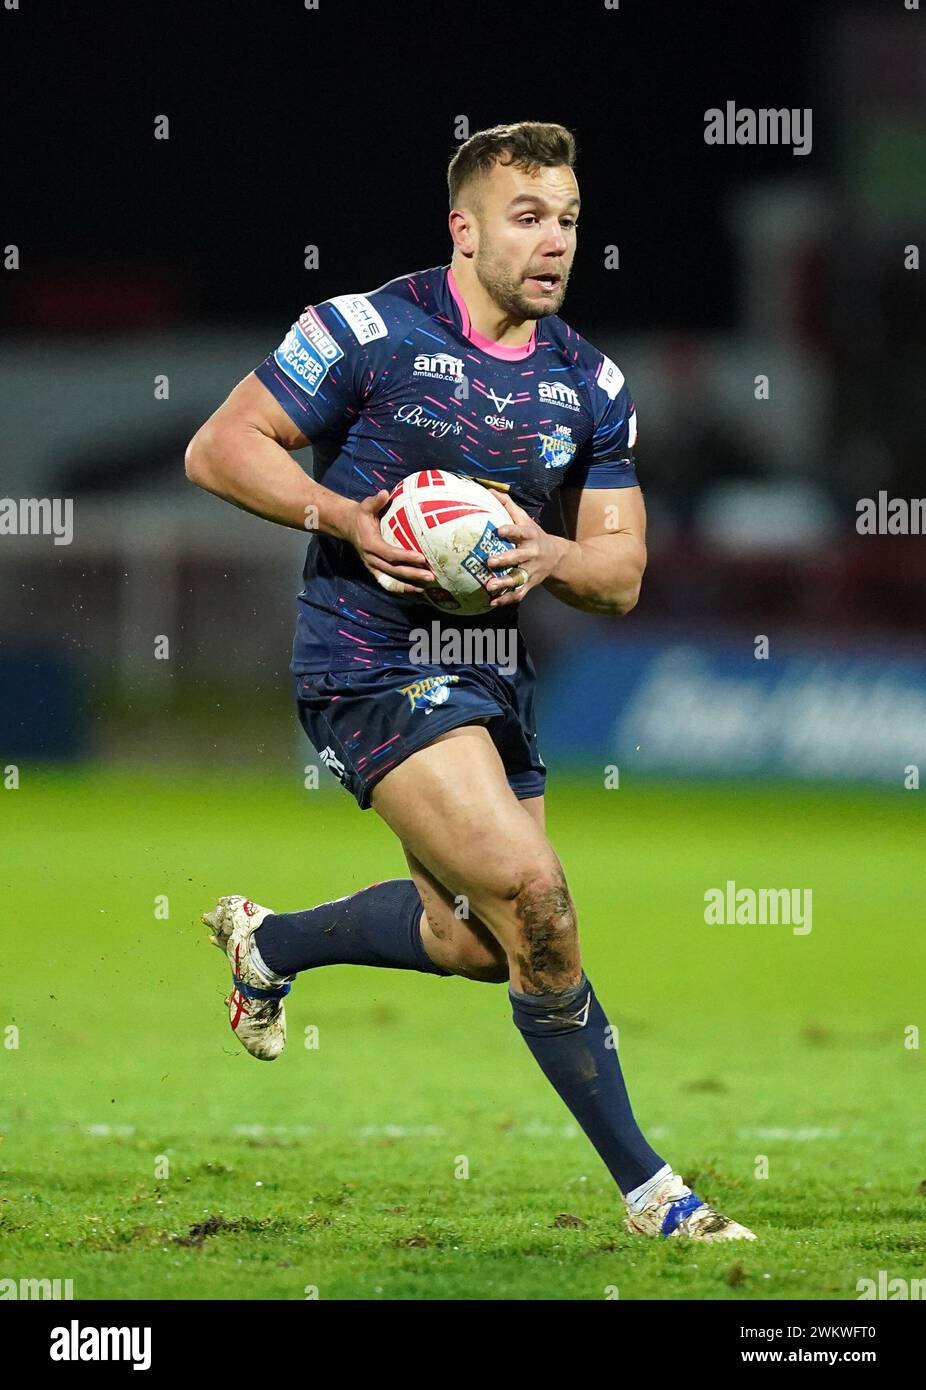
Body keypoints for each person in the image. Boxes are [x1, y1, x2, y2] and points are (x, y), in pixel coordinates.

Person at [185, 120, 755, 1242]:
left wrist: (547, 555)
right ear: (464, 228)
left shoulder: (588, 383)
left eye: (570, 222)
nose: (554, 244)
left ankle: (270, 943)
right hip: (366, 659)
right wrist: (349, 515)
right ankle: (653, 1193)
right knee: (538, 901)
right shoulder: (365, 331)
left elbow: (620, 572)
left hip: (490, 673)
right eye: (527, 217)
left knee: (477, 941)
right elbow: (221, 446)